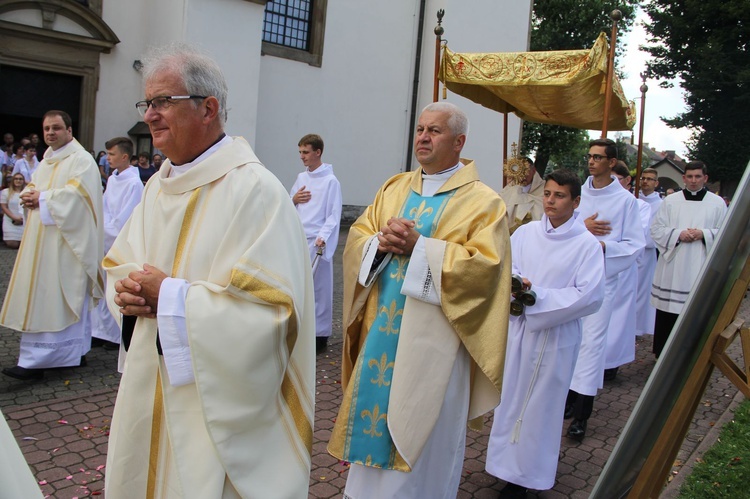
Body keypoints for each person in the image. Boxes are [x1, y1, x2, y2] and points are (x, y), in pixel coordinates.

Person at [103, 44, 315, 498]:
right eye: (147, 103)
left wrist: (174, 298)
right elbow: (119, 263)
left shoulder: (255, 190)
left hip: (213, 407)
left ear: (208, 108)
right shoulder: (157, 187)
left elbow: (275, 314)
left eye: (163, 102)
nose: (151, 115)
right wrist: (126, 293)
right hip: (147, 378)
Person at [328, 102, 511, 498]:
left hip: (436, 349)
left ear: (459, 142)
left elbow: (486, 269)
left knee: (424, 448)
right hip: (382, 335)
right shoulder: (394, 188)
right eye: (421, 129)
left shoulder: (484, 202)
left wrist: (421, 248)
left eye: (435, 131)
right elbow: (357, 238)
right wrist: (379, 244)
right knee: (371, 439)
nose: (424, 137)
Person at [486, 169, 604, 498]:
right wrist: (516, 284)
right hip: (519, 330)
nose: (550, 201)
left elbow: (589, 295)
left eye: (560, 196)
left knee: (541, 407)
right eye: (548, 194)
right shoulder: (526, 234)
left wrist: (537, 296)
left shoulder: (586, 245)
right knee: (509, 399)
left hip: (555, 337)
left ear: (575, 201)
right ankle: (503, 467)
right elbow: (506, 265)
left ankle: (527, 477)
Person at [0, 110, 104, 380]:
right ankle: (75, 353)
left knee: (57, 295)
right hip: (41, 242)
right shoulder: (46, 161)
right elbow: (33, 187)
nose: (50, 133)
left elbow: (80, 197)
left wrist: (43, 199)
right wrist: (28, 196)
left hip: (66, 243)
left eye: (56, 128)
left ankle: (36, 361)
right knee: (45, 294)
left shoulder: (81, 160)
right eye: (46, 128)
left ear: (69, 130)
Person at [565, 138, 644, 441]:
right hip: (570, 279)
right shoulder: (577, 193)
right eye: (589, 156)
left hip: (601, 281)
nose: (591, 161)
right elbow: (557, 226)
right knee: (569, 342)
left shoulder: (626, 202)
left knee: (591, 346)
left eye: (598, 157)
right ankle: (569, 399)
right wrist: (581, 227)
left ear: (612, 163)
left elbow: (634, 245)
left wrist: (602, 245)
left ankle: (582, 415)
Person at [650, 161, 727, 357]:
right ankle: (663, 353)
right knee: (669, 312)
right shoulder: (670, 201)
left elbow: (726, 233)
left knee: (695, 311)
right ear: (684, 178)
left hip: (700, 263)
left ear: (705, 178)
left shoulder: (717, 203)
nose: (693, 181)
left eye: (697, 177)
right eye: (690, 177)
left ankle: (693, 354)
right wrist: (678, 234)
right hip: (674, 265)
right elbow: (656, 230)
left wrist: (704, 233)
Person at [90, 137, 144, 350]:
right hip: (105, 235)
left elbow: (127, 217)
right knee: (102, 286)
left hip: (118, 239)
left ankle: (115, 333)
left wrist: (107, 231)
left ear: (124, 156)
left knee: (116, 287)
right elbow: (104, 207)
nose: (107, 158)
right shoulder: (113, 179)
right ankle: (100, 331)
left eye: (112, 154)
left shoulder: (134, 183)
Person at [290, 133, 342, 353]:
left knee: (319, 290)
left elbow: (333, 213)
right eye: (300, 152)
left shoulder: (331, 181)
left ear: (318, 152)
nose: (302, 157)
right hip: (299, 238)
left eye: (306, 152)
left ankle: (320, 335)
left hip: (318, 240)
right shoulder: (302, 178)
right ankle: (300, 330)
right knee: (299, 286)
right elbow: (288, 202)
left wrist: (324, 236)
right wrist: (293, 200)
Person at [601, 161, 650, 381]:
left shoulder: (639, 206)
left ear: (627, 180)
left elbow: (638, 238)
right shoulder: (595, 198)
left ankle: (611, 363)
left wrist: (607, 243)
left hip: (620, 267)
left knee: (617, 320)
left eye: (616, 179)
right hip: (595, 266)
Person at [635, 167, 662, 336]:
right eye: (643, 178)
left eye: (650, 179)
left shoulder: (660, 204)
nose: (645, 181)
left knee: (643, 291)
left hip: (647, 252)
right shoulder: (633, 200)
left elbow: (655, 230)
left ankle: (639, 326)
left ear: (656, 183)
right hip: (633, 252)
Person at [498, 156, 544, 234]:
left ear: (534, 170)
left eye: (525, 171)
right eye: (519, 172)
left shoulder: (544, 188)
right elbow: (499, 204)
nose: (522, 176)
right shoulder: (510, 188)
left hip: (534, 232)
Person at [0, 173, 26, 249]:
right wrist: (14, 218)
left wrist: (21, 218)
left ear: (23, 181)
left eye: (20, 179)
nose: (18, 180)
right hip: (10, 219)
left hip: (23, 220)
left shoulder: (26, 192)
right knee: (12, 244)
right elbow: (4, 207)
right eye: (16, 179)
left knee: (23, 244)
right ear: (13, 180)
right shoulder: (5, 192)